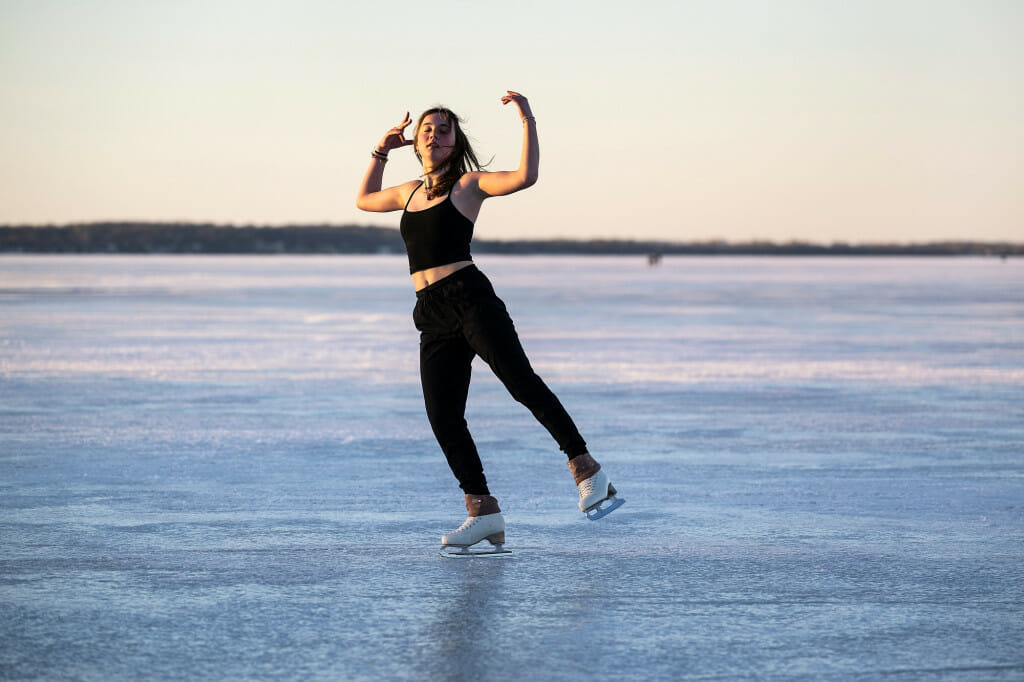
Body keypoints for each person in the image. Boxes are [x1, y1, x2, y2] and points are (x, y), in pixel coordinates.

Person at [356, 91, 623, 555]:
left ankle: (588, 471)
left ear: (455, 142)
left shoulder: (468, 184)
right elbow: (363, 200)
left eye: (444, 130)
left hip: (471, 300)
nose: (434, 135)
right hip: (431, 312)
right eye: (427, 130)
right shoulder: (410, 191)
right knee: (443, 415)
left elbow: (525, 177)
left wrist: (527, 120)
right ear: (416, 142)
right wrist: (381, 149)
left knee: (521, 383)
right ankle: (482, 510)